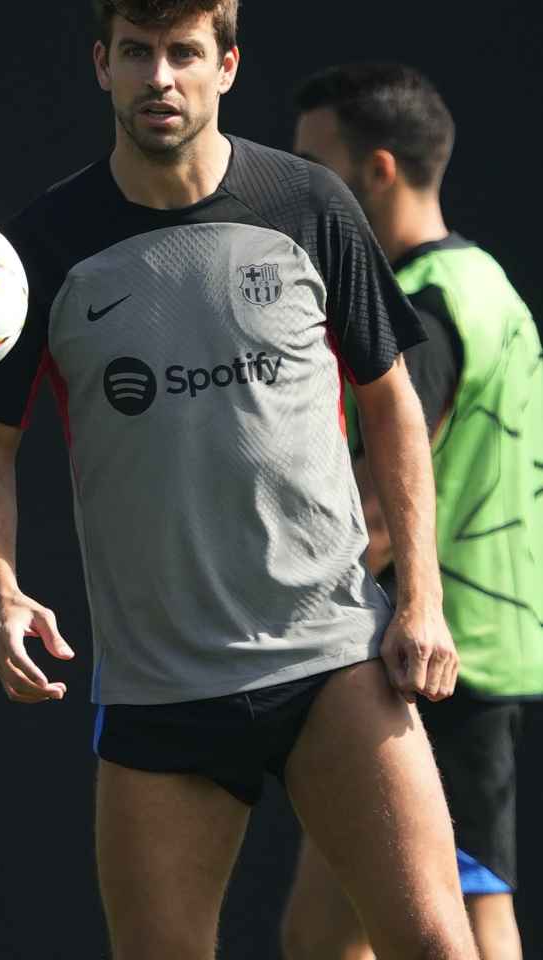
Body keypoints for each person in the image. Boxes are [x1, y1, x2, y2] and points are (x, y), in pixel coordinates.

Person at [0, 2, 480, 958]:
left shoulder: (310, 202)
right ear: (100, 64)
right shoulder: (44, 247)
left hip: (331, 656)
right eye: (138, 54)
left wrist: (422, 599)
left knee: (438, 946)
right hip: (160, 688)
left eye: (184, 53)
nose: (161, 78)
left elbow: (392, 401)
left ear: (226, 65)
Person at [284, 62, 542, 960]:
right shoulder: (489, 282)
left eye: (316, 167)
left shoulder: (425, 304)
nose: (301, 189)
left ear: (379, 171)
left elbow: (383, 508)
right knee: (321, 936)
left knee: (467, 925)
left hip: (442, 667)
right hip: (443, 658)